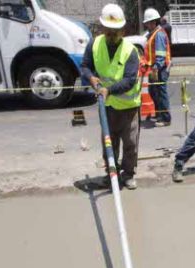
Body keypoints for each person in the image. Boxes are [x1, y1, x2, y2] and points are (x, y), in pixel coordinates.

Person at [80, 3, 141, 190]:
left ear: (122, 30)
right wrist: (92, 79)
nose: (113, 33)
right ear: (102, 28)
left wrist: (108, 90)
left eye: (116, 30)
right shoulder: (95, 44)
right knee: (109, 142)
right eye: (109, 29)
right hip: (106, 107)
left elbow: (130, 80)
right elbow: (85, 66)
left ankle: (128, 174)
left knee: (130, 144)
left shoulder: (130, 51)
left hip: (128, 107)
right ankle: (111, 174)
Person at [142, 8, 171, 127]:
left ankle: (165, 118)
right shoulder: (153, 34)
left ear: (153, 22)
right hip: (155, 67)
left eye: (148, 22)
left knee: (161, 92)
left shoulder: (158, 34)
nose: (147, 25)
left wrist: (156, 68)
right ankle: (159, 114)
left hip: (160, 68)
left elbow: (160, 54)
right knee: (154, 92)